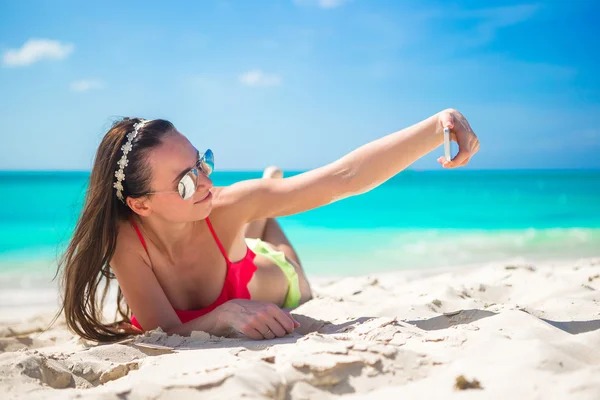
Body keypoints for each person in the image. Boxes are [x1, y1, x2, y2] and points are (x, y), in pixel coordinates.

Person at [56, 109, 479, 343]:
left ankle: (268, 199)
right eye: (186, 181)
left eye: (202, 163)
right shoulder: (126, 240)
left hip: (273, 272)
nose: (206, 181)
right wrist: (222, 314)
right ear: (140, 204)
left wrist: (434, 128)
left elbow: (342, 179)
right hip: (226, 243)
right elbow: (163, 330)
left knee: (255, 223)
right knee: (244, 209)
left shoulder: (220, 202)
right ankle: (268, 196)